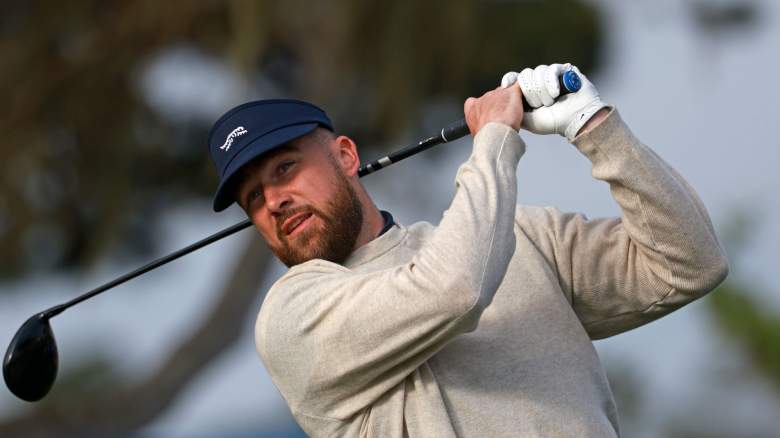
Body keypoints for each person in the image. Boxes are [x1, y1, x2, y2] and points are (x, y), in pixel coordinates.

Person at [206, 63, 729, 437]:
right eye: (253, 198)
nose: (273, 200)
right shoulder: (292, 316)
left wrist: (594, 126)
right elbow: (456, 287)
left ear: (345, 156)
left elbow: (691, 263)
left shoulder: (523, 237)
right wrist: (495, 137)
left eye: (285, 169)